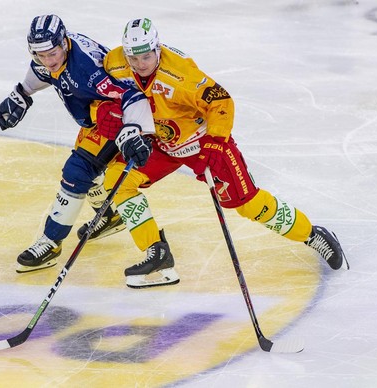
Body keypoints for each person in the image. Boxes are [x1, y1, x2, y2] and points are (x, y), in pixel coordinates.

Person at [83, 18, 349, 288]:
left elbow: (221, 100)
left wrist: (216, 141)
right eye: (133, 57)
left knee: (247, 204)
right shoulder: (115, 63)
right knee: (118, 180)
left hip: (201, 143)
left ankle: (312, 234)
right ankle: (157, 252)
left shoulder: (181, 74)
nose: (139, 64)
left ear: (157, 49)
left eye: (146, 56)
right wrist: (102, 111)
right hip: (159, 145)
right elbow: (101, 96)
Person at [0, 14, 153, 273]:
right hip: (96, 119)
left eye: (52, 53)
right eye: (41, 55)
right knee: (86, 171)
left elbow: (131, 93)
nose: (48, 60)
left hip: (116, 118)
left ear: (64, 43)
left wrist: (134, 130)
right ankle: (108, 216)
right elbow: (43, 71)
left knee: (77, 172)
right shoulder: (52, 54)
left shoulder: (88, 70)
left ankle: (51, 242)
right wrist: (22, 92)